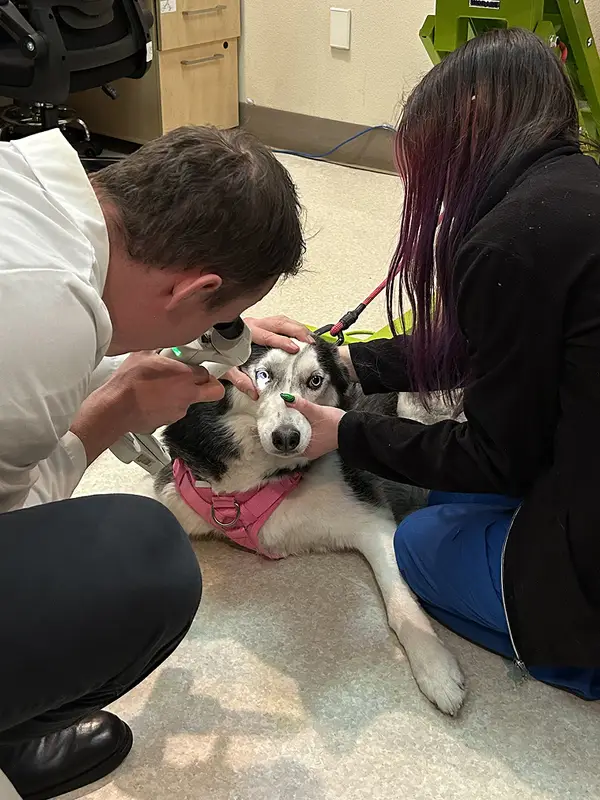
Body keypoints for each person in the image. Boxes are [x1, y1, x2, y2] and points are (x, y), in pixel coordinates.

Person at [282, 28, 600, 699]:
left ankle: (573, 647)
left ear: (472, 119)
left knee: (421, 541)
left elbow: (495, 458)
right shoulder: (574, 192)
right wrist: (349, 362)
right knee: (450, 497)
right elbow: (494, 347)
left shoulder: (510, 242)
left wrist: (349, 433)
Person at [0, 124, 311, 800]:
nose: (224, 343)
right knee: (146, 558)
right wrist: (112, 413)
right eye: (222, 318)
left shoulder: (31, 172)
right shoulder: (42, 321)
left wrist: (206, 333)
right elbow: (13, 524)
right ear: (191, 290)